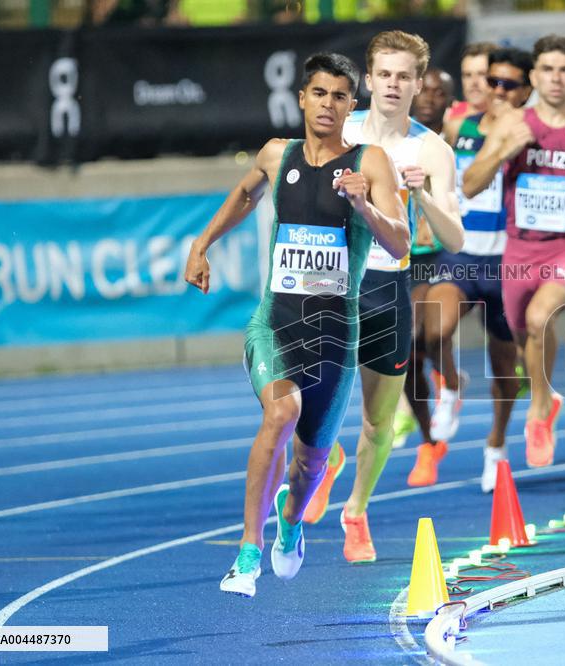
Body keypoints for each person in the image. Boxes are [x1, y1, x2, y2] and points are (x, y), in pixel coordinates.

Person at [184, 53, 409, 597]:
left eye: (340, 96)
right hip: (275, 324)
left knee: (308, 468)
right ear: (302, 98)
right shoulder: (275, 154)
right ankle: (247, 552)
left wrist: (364, 206)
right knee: (281, 411)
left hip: (335, 337)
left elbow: (400, 243)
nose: (328, 104)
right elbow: (246, 194)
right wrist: (202, 243)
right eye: (319, 93)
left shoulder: (371, 162)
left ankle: (290, 520)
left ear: (351, 105)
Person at [302, 30, 464, 563]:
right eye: (385, 75)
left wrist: (421, 194)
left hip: (386, 286)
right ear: (368, 80)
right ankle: (325, 458)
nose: (393, 85)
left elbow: (454, 238)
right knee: (303, 395)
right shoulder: (338, 126)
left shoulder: (431, 149)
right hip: (327, 281)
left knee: (378, 420)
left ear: (418, 84)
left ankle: (356, 512)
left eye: (404, 76)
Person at [463, 34, 565, 468]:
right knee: (527, 339)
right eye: (547, 70)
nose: (556, 78)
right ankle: (547, 398)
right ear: (534, 77)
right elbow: (469, 185)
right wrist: (505, 150)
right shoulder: (512, 124)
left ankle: (539, 412)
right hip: (519, 255)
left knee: (541, 318)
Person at [411, 47, 534, 492]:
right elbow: (435, 175)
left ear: (522, 90)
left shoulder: (529, 132)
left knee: (505, 370)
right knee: (433, 329)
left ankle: (496, 445)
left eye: (499, 81)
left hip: (507, 264)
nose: (489, 87)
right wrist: (428, 213)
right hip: (460, 256)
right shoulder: (457, 126)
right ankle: (450, 386)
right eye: (483, 79)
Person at [391, 65, 457, 452]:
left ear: (450, 101)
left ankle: (451, 384)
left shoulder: (456, 142)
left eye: (439, 92)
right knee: (407, 355)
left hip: (444, 254)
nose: (430, 98)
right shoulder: (397, 139)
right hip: (403, 255)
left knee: (422, 334)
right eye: (425, 90)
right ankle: (429, 438)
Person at [446, 42, 496, 121]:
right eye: (467, 75)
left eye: (482, 74)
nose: (474, 82)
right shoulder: (447, 116)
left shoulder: (512, 120)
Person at [411, 67, 456, 136]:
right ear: (412, 95)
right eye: (423, 90)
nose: (429, 99)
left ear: (450, 102)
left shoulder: (456, 138)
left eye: (439, 94)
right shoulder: (396, 131)